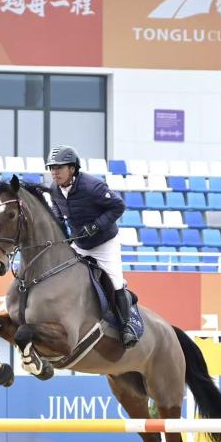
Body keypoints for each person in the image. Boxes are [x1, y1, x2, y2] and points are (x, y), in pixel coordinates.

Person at [45, 145, 137, 349]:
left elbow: (118, 206)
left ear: (72, 168)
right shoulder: (54, 188)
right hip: (80, 242)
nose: (54, 172)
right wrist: (59, 227)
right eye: (52, 168)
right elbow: (57, 208)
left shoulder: (92, 186)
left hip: (104, 242)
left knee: (114, 281)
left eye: (59, 168)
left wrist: (95, 226)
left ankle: (127, 326)